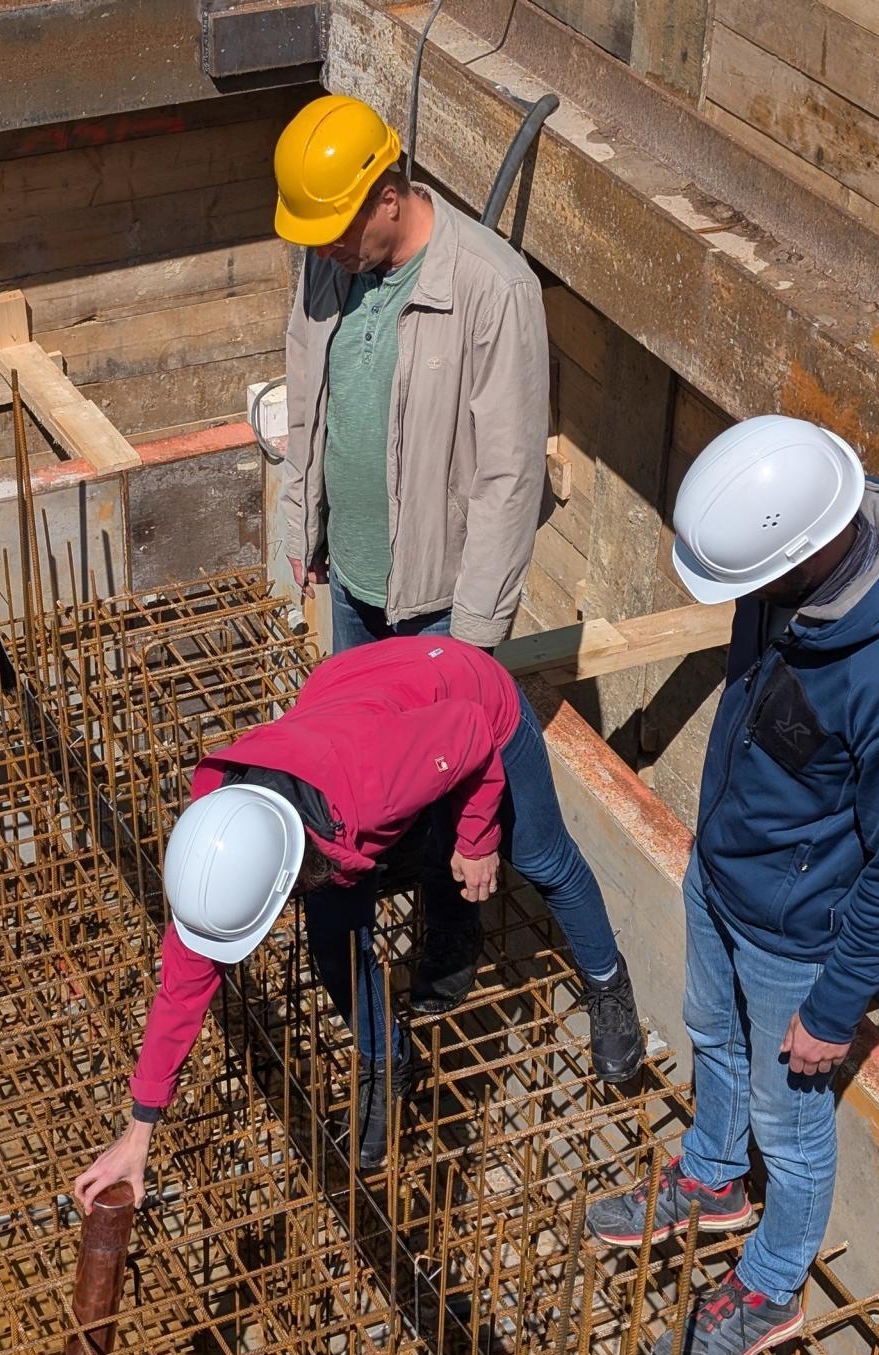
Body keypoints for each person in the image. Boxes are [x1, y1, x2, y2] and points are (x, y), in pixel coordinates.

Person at [587, 414, 879, 1355]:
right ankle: (711, 1176)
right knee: (711, 1030)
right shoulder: (788, 562)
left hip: (802, 931)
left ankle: (772, 1285)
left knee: (793, 1115)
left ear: (806, 551)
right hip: (726, 870)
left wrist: (834, 1006)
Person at [75, 637, 644, 1212]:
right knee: (334, 944)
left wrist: (477, 839)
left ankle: (607, 981)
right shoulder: (222, 848)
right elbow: (182, 988)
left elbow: (470, 731)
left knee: (541, 858)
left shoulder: (374, 787)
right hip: (356, 700)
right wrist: (138, 1130)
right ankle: (386, 1058)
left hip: (466, 696)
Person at [273, 93, 551, 1017]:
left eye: (338, 227)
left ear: (389, 193)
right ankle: (357, 929)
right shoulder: (327, 261)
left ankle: (449, 955)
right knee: (358, 774)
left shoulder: (492, 287)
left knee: (445, 791)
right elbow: (310, 408)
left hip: (434, 599)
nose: (323, 248)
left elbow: (510, 478)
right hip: (354, 584)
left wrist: (473, 641)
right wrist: (300, 537)